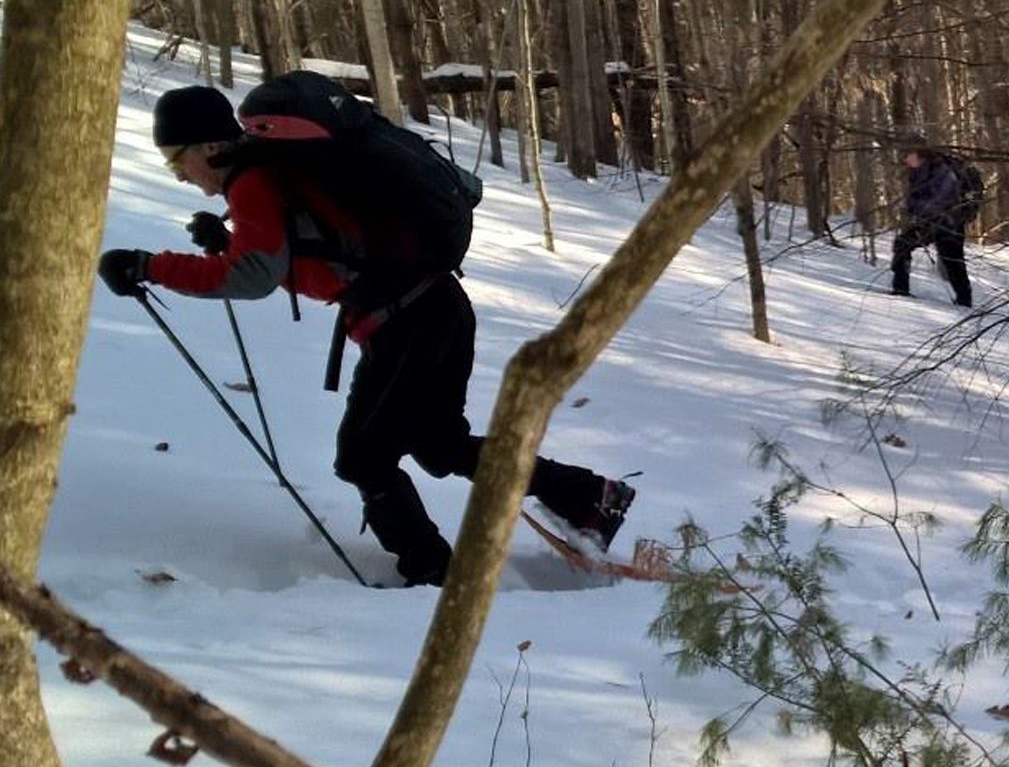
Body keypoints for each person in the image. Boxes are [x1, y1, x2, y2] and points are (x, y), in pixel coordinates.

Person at [96, 82, 633, 587]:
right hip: (433, 307)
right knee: (436, 444)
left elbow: (253, 277)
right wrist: (231, 238)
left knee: (363, 457)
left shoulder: (255, 180)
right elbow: (317, 249)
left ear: (209, 147)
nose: (179, 175)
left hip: (407, 325)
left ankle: (433, 577)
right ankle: (589, 499)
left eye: (177, 159)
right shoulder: (271, 171)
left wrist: (150, 266)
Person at [889, 138, 973, 308]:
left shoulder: (942, 170)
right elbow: (916, 197)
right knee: (902, 244)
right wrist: (910, 207)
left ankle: (965, 302)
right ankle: (900, 289)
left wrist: (917, 207)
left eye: (907, 155)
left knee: (953, 261)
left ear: (918, 154)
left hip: (949, 223)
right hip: (929, 222)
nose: (905, 160)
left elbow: (943, 198)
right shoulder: (917, 171)